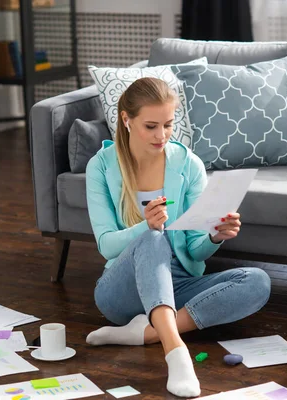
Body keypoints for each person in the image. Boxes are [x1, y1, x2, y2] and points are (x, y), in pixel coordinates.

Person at [84, 77, 271, 398]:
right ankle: (176, 352)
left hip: (177, 284)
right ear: (127, 120)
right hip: (121, 293)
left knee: (257, 281)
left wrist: (214, 236)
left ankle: (146, 334)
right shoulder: (100, 166)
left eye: (168, 125)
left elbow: (195, 254)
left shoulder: (189, 165)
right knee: (154, 239)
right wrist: (146, 226)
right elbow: (106, 245)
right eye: (151, 126)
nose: (161, 135)